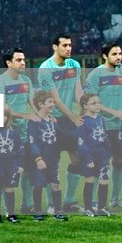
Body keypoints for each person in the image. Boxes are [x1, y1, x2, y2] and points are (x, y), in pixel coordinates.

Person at [36, 36, 85, 214]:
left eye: (70, 45)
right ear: (55, 47)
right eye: (64, 45)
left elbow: (78, 91)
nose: (68, 48)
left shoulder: (75, 65)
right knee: (51, 162)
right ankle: (51, 203)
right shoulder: (45, 69)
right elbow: (55, 99)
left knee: (78, 158)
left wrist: (85, 107)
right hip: (51, 120)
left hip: (69, 119)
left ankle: (70, 201)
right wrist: (73, 117)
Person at [83, 44, 122, 207]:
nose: (118, 57)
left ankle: (116, 199)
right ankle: (95, 201)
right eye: (114, 54)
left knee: (120, 161)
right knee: (101, 163)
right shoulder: (96, 74)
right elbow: (91, 100)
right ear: (105, 56)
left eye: (120, 53)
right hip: (100, 126)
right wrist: (114, 112)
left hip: (119, 127)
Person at [0, 51, 35, 217]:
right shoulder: (0, 82)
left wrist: (39, 116)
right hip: (7, 134)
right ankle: (1, 211)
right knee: (4, 172)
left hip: (26, 132)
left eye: (24, 59)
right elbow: (0, 108)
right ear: (9, 63)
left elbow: (32, 102)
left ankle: (27, 204)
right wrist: (23, 116)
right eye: (19, 60)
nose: (23, 63)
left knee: (28, 169)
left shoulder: (27, 80)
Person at [26, 90, 66, 220]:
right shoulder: (34, 122)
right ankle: (37, 211)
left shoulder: (52, 121)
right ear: (41, 104)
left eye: (53, 102)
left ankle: (58, 210)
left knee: (56, 184)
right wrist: (38, 159)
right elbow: (33, 142)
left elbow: (61, 138)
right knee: (39, 184)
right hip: (40, 159)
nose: (53, 104)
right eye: (50, 102)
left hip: (53, 159)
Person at [73, 92, 114, 217]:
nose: (97, 105)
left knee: (104, 179)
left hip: (102, 155)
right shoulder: (82, 121)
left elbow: (105, 138)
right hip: (89, 155)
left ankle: (102, 207)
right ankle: (88, 208)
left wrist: (109, 154)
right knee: (89, 180)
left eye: (99, 102)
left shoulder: (101, 119)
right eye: (94, 103)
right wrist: (87, 158)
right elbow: (81, 142)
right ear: (85, 106)